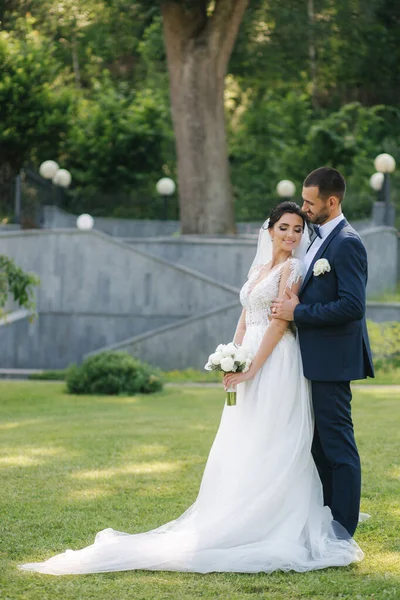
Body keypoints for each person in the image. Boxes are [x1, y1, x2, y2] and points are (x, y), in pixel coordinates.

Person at [19, 201, 364, 576]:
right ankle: (237, 508)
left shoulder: (293, 269)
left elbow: (279, 325)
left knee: (273, 437)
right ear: (269, 230)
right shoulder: (260, 268)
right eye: (284, 227)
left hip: (276, 361)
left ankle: (272, 516)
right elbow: (247, 315)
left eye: (297, 229)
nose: (291, 235)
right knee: (244, 436)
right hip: (251, 356)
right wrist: (233, 355)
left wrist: (251, 371)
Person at [271, 167, 374, 538]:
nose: (304, 208)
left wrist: (297, 313)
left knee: (337, 445)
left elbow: (352, 306)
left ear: (332, 201)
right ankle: (329, 516)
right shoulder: (315, 239)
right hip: (312, 359)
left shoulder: (347, 242)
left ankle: (343, 528)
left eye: (310, 202)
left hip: (333, 361)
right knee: (318, 445)